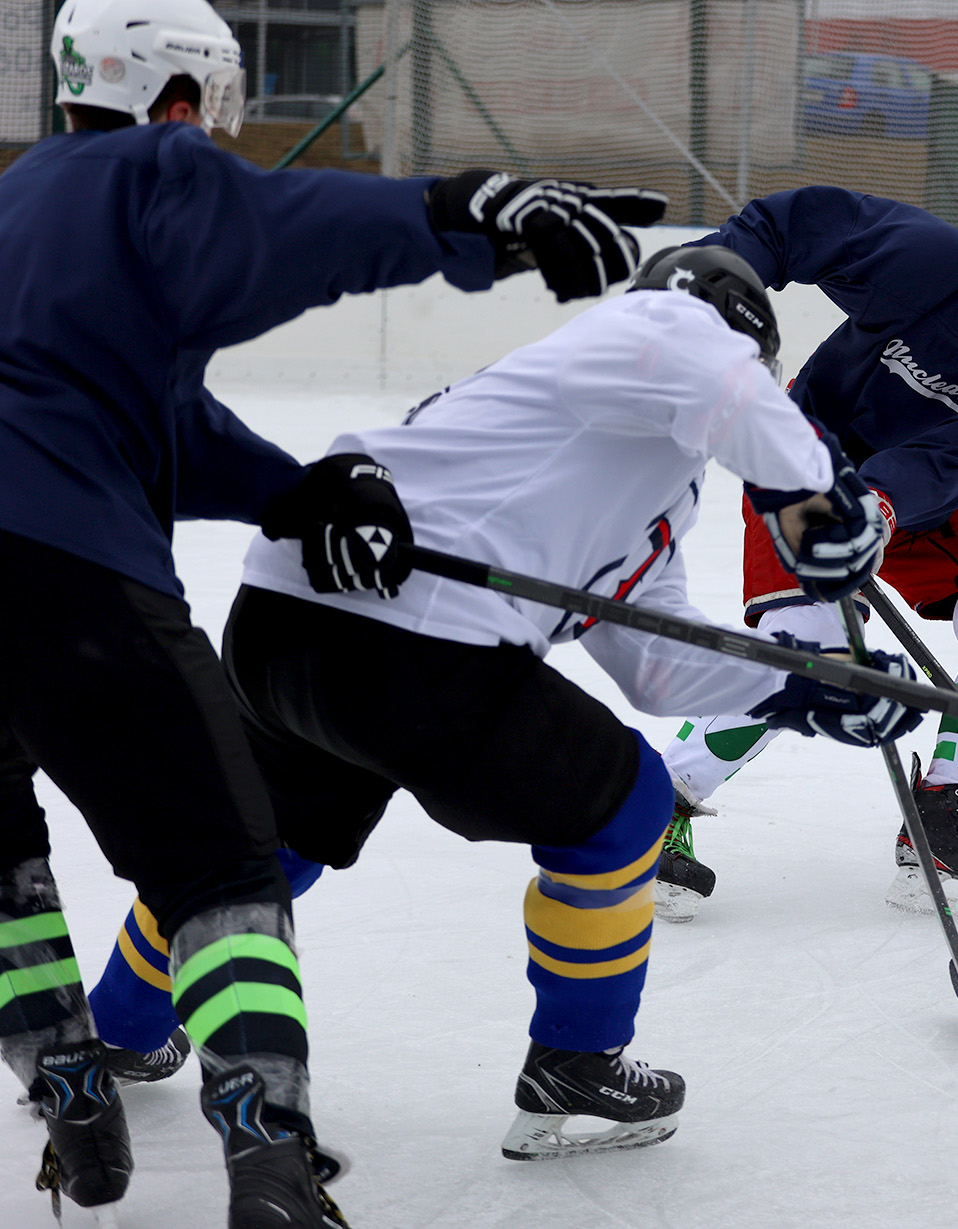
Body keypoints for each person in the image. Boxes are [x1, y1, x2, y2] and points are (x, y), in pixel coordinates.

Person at [0, 0, 664, 1222]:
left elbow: (160, 427)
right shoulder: (149, 165)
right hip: (55, 560)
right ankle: (271, 1158)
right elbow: (273, 225)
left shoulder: (20, 205)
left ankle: (72, 1088)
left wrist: (296, 494)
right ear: (183, 100)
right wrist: (462, 214)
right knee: (220, 864)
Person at [81, 245, 920, 1161]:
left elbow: (654, 660)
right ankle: (578, 1058)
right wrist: (816, 492)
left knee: (261, 849)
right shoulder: (651, 329)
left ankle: (120, 1024)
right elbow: (706, 360)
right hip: (417, 637)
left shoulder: (627, 457)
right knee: (627, 806)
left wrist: (796, 682)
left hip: (283, 624)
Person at [656, 173, 958, 923]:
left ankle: (946, 813)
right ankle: (654, 804)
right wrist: (711, 279)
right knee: (813, 654)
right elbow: (790, 224)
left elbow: (950, 465)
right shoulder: (925, 264)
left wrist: (879, 500)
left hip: (909, 502)